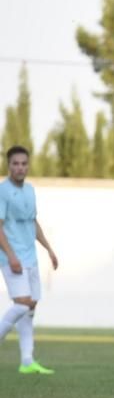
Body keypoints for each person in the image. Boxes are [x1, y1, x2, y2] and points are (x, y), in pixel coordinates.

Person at [0, 146, 58, 374]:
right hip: (11, 257)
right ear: (9, 165)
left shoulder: (30, 190)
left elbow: (33, 223)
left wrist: (49, 249)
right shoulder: (2, 191)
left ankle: (27, 360)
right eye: (15, 163)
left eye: (24, 163)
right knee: (23, 302)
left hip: (30, 257)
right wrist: (11, 256)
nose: (20, 167)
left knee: (30, 307)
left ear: (28, 165)